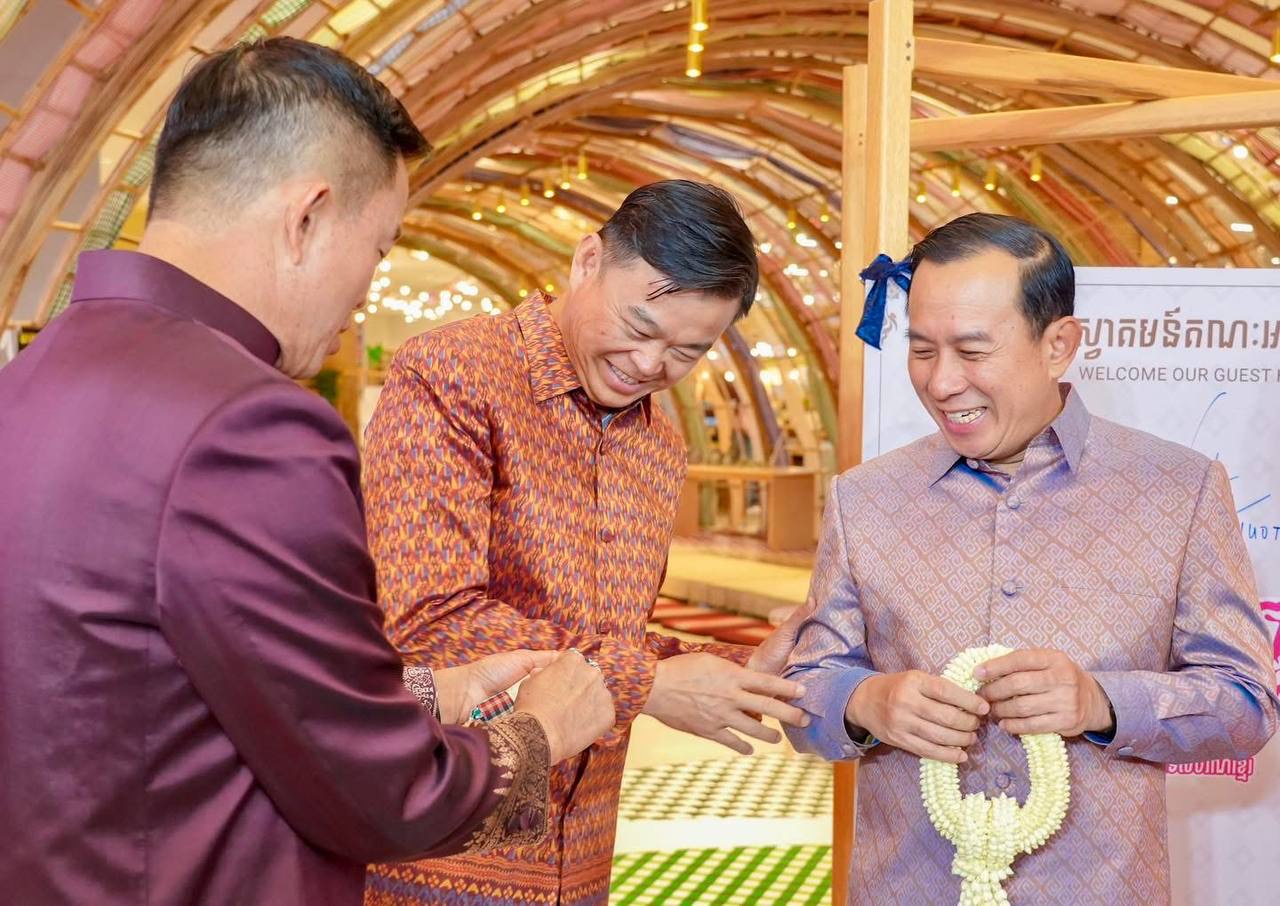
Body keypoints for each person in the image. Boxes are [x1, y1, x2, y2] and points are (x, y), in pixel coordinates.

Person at [0, 37, 614, 906]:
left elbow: (153, 685)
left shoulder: (30, 381)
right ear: (308, 218)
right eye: (379, 247)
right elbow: (389, 798)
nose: (366, 291)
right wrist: (544, 729)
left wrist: (432, 692)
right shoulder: (250, 423)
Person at [784, 212, 1278, 904]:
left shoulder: (1180, 489)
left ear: (1058, 345)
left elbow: (1248, 706)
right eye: (921, 350)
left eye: (972, 350)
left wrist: (1104, 702)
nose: (941, 382)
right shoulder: (863, 498)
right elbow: (802, 692)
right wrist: (865, 702)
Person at [361, 179, 813, 905]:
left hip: (584, 853)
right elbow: (427, 618)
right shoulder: (454, 373)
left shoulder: (659, 442)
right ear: (586, 262)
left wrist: (739, 668)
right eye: (638, 325)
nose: (649, 364)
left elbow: (609, 641)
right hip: (443, 851)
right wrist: (650, 685)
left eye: (687, 350)